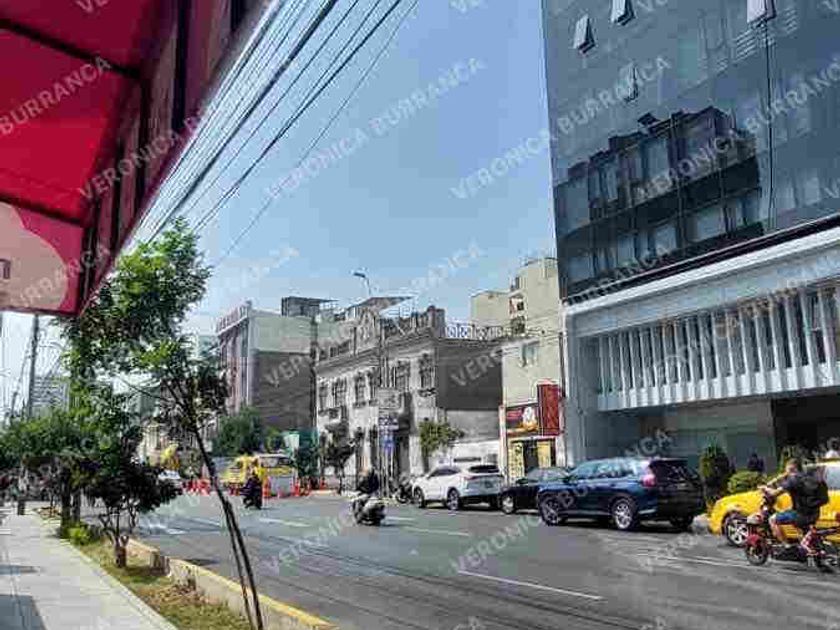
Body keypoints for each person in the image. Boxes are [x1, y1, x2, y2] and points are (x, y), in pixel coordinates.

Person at [760, 458, 827, 553]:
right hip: (814, 513)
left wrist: (765, 489)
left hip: (800, 514)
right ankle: (808, 547)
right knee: (790, 514)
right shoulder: (809, 477)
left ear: (792, 468)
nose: (785, 472)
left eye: (786, 469)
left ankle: (787, 547)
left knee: (772, 519)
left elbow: (774, 493)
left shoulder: (793, 480)